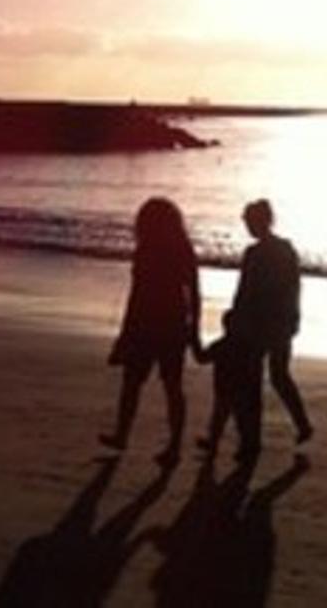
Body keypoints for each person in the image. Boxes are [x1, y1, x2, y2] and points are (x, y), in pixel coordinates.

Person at [99, 197, 201, 465]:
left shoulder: (147, 250)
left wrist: (125, 333)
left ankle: (123, 434)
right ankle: (173, 445)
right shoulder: (182, 247)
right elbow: (194, 292)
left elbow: (137, 295)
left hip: (147, 322)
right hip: (173, 323)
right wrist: (195, 329)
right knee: (171, 386)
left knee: (134, 383)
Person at [230, 199, 313, 455]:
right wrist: (294, 317)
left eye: (249, 221)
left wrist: (236, 319)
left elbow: (243, 293)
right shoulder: (285, 249)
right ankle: (301, 424)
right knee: (279, 375)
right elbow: (295, 287)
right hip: (279, 322)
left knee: (255, 382)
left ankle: (251, 441)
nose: (247, 226)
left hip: (258, 324)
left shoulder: (254, 254)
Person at [194, 310, 261, 460]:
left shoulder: (220, 345)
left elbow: (202, 358)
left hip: (224, 388)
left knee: (220, 418)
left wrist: (194, 341)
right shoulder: (246, 347)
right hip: (240, 389)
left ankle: (215, 444)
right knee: (239, 420)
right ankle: (244, 447)